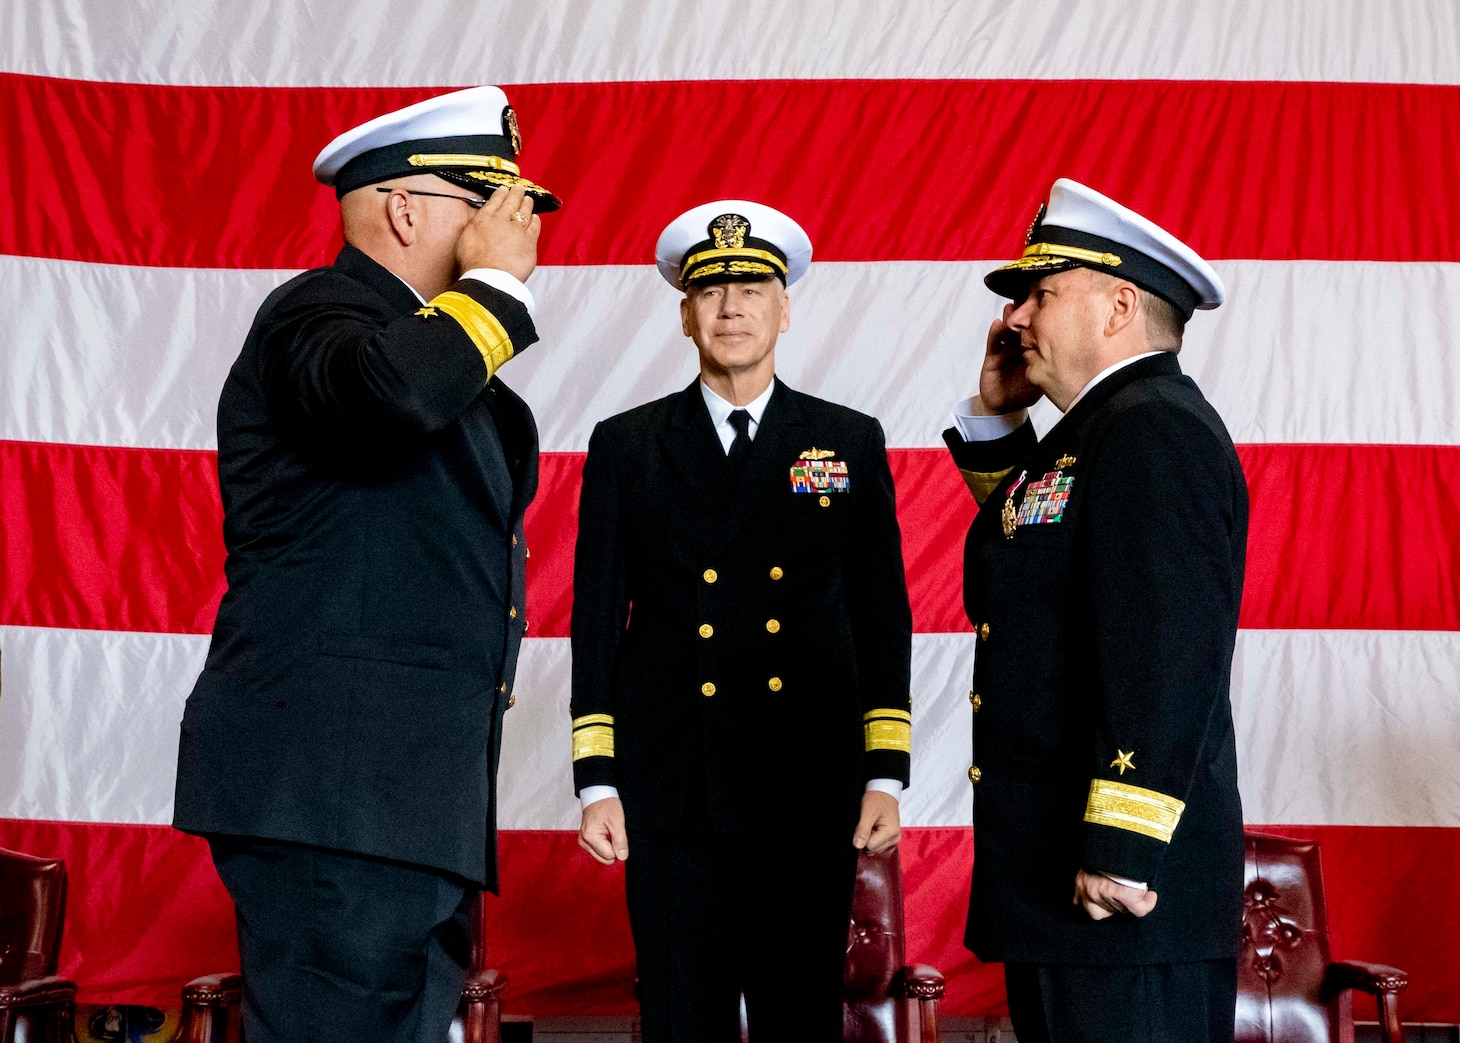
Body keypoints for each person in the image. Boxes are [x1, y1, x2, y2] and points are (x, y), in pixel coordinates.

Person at [172, 85, 558, 1043]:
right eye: (489, 206)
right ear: (405, 209)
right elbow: (385, 395)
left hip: (409, 804)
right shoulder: (316, 313)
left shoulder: (469, 384)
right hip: (331, 798)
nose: (518, 231)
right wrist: (497, 290)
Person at [569, 200, 914, 1042]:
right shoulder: (626, 445)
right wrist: (598, 778)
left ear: (785, 308)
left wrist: (886, 770)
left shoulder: (847, 440)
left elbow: (882, 614)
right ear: (685, 314)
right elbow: (594, 619)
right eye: (711, 289)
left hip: (808, 784)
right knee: (684, 1022)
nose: (731, 306)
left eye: (752, 286)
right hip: (674, 790)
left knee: (801, 1019)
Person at [944, 178, 1247, 1042]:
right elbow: (1017, 584)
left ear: (1118, 306)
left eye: (1041, 292)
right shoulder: (1095, 431)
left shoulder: (1152, 431)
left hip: (1124, 901)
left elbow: (1166, 654)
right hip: (1068, 892)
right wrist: (1001, 430)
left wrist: (1121, 847)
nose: (1014, 318)